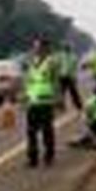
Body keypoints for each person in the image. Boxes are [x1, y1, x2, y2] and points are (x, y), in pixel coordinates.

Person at [24, 37, 59, 168]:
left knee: (46, 130)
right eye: (34, 47)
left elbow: (55, 82)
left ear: (45, 48)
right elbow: (28, 80)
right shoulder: (31, 62)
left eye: (38, 47)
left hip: (46, 101)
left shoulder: (51, 62)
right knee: (31, 132)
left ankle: (49, 156)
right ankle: (32, 158)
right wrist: (25, 96)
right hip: (33, 102)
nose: (35, 49)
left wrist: (57, 99)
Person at [54, 42, 83, 111]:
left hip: (70, 77)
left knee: (73, 92)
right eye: (65, 47)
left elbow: (75, 68)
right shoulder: (60, 55)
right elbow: (57, 65)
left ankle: (78, 105)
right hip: (62, 76)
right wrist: (56, 75)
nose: (66, 48)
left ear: (70, 48)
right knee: (61, 93)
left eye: (67, 47)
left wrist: (75, 77)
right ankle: (60, 106)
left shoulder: (73, 56)